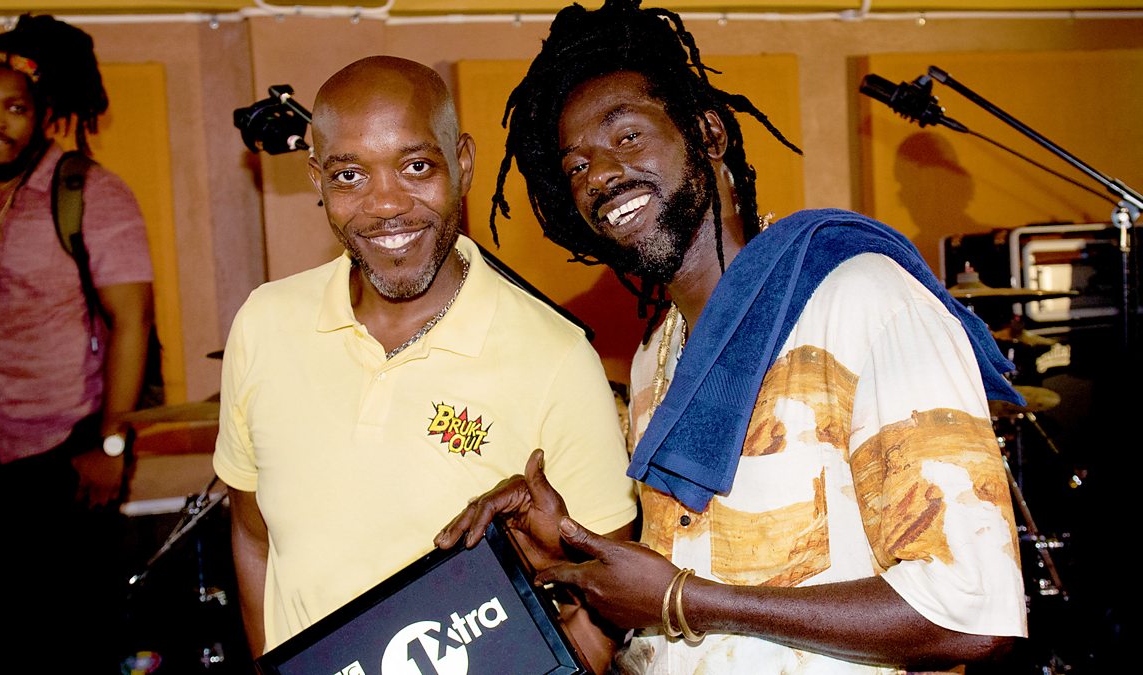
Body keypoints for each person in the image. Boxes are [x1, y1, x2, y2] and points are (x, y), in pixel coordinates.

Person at [435, 1, 1029, 673]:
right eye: (576, 166)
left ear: (708, 133)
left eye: (626, 136)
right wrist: (566, 550)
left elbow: (970, 611)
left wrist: (687, 600)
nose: (598, 175)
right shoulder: (656, 357)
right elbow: (677, 611)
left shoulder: (862, 298)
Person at [211, 55, 639, 665]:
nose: (386, 204)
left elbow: (606, 607)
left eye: (416, 167)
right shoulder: (264, 324)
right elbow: (254, 540)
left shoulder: (557, 359)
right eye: (349, 176)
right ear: (316, 181)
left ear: (462, 163)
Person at [0, 14, 155, 673]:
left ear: (41, 113)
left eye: (14, 108)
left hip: (65, 463)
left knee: (69, 647)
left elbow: (132, 322)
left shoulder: (89, 192)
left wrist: (110, 446)